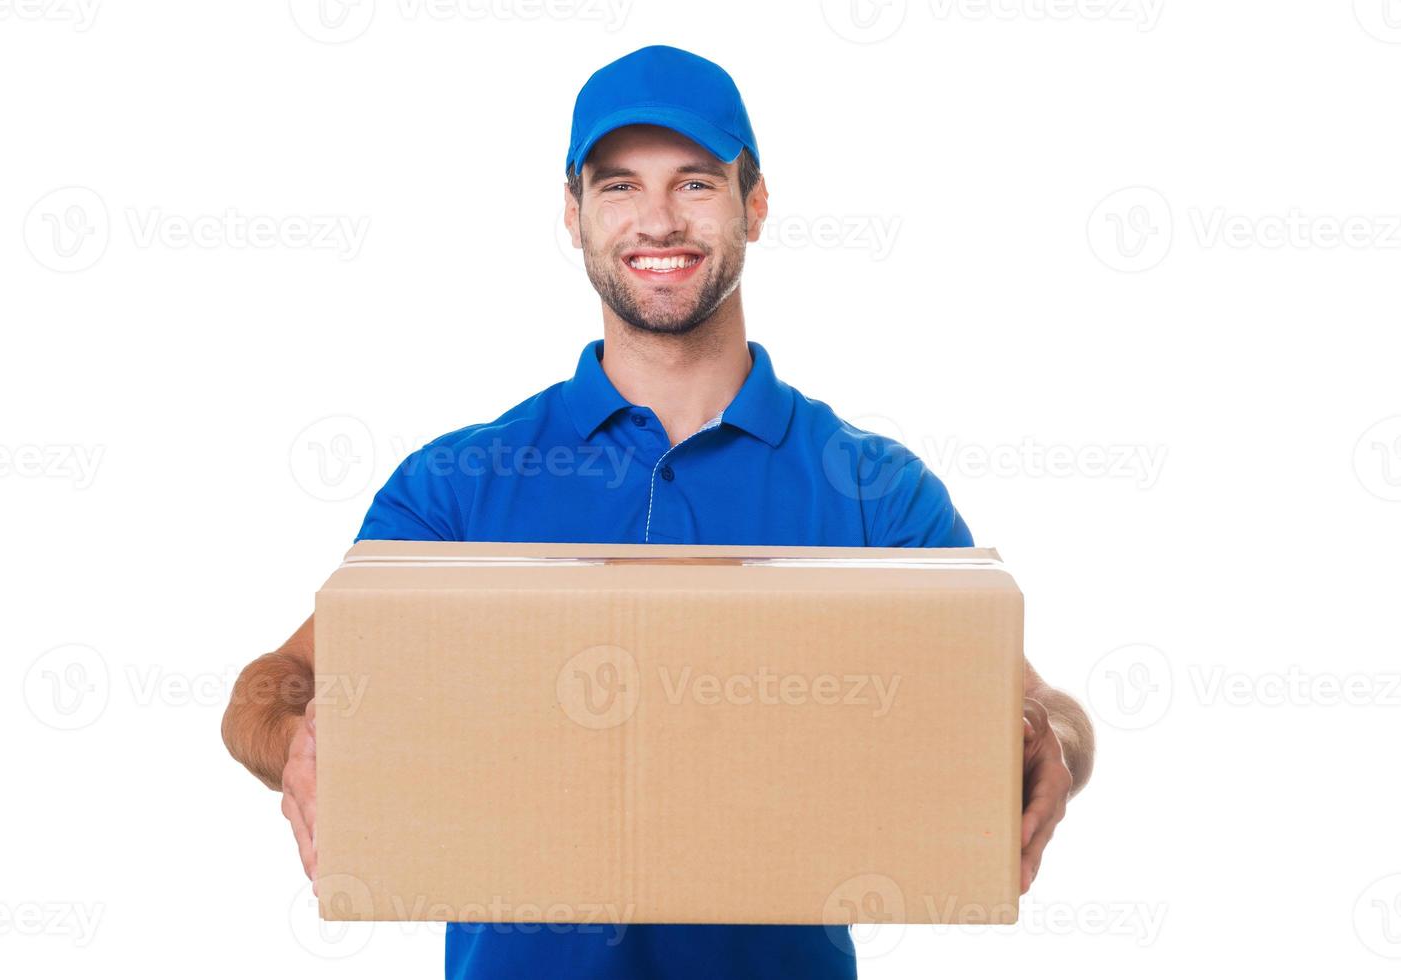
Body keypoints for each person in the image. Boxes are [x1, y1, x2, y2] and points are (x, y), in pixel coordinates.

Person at [222, 43, 1094, 980]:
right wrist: (297, 748)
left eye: (695, 183)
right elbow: (273, 683)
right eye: (618, 188)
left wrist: (1057, 747)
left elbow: (1025, 700)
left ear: (754, 205)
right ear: (573, 214)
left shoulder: (871, 489)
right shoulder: (461, 484)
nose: (657, 221)